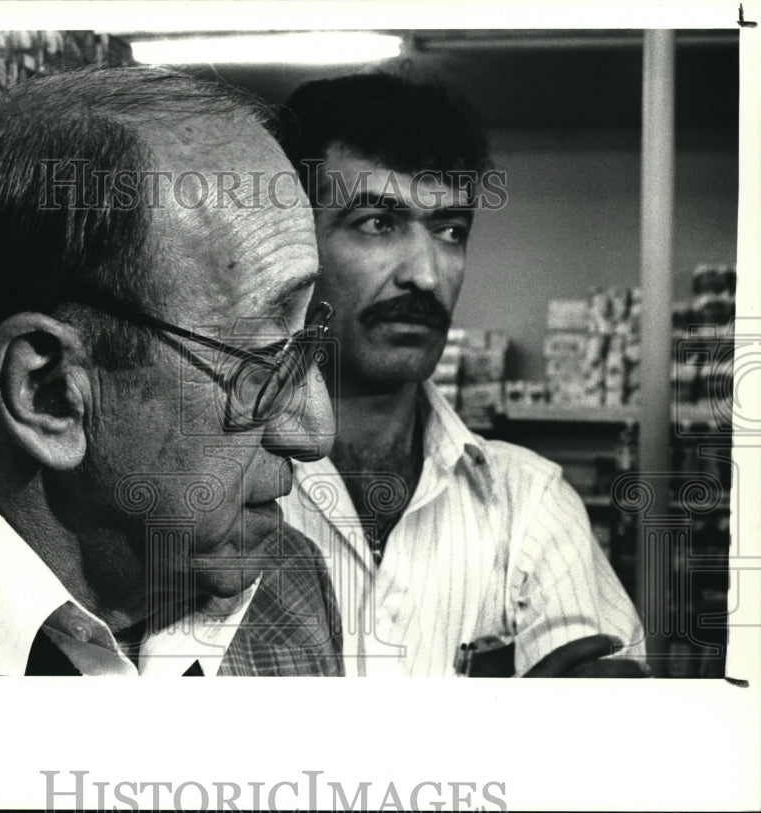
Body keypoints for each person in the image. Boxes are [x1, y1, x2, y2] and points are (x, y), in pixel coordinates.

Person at [0, 66, 343, 676]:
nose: (315, 430)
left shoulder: (293, 589)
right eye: (263, 358)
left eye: (306, 340)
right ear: (48, 395)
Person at [277, 73, 647, 677]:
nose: (425, 274)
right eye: (377, 223)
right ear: (293, 244)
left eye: (450, 231)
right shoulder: (218, 493)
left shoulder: (527, 503)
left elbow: (608, 733)